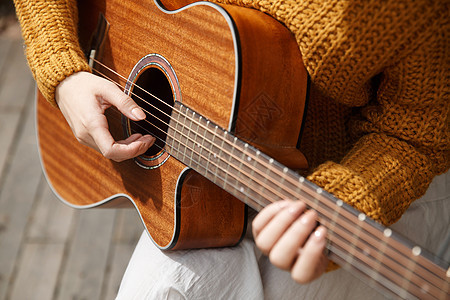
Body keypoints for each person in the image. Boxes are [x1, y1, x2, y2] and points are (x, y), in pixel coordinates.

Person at [14, 0, 449, 299]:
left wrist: (346, 200)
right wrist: (61, 67)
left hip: (320, 179)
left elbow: (416, 134)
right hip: (200, 182)